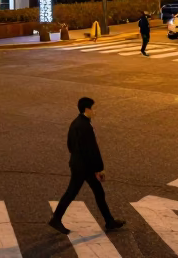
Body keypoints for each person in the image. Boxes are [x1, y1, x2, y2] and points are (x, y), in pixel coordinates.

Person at [48, 97, 125, 235]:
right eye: (93, 108)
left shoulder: (76, 123)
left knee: (98, 192)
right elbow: (92, 150)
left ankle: (109, 221)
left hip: (80, 164)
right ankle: (56, 219)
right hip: (83, 167)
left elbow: (69, 144)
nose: (95, 111)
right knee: (72, 192)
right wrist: (99, 168)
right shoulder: (85, 126)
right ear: (87, 109)